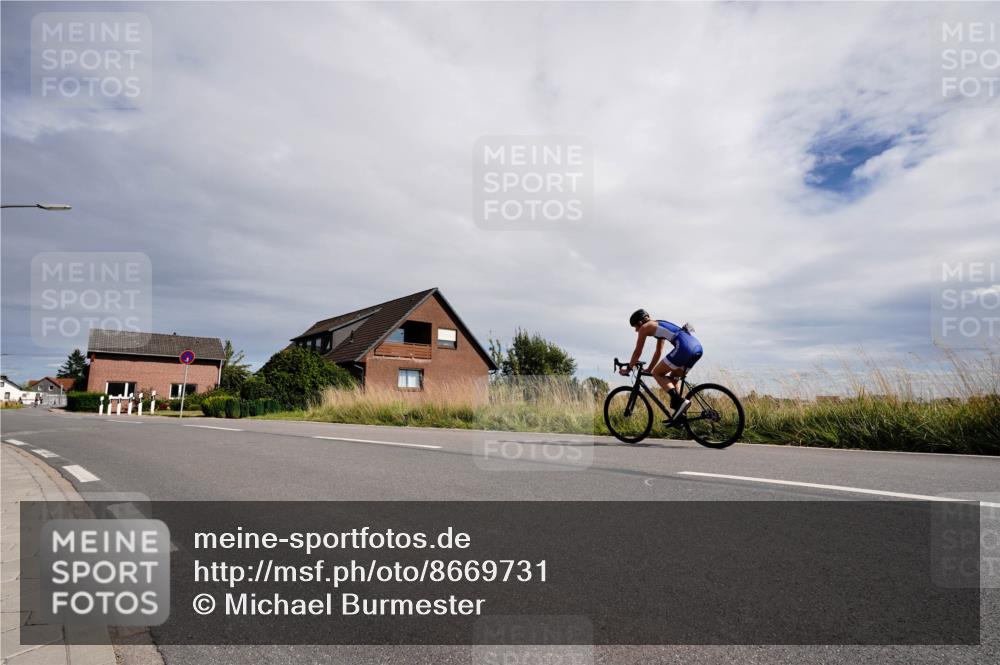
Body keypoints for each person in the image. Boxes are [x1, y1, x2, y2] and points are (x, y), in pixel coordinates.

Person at [621, 308, 703, 420]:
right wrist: (649, 368)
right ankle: (680, 414)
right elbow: (658, 352)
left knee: (657, 374)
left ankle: (680, 401)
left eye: (635, 327)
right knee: (674, 378)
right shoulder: (658, 325)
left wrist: (629, 368)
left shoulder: (644, 328)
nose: (636, 331)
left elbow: (637, 351)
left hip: (684, 348)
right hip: (696, 347)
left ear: (640, 323)